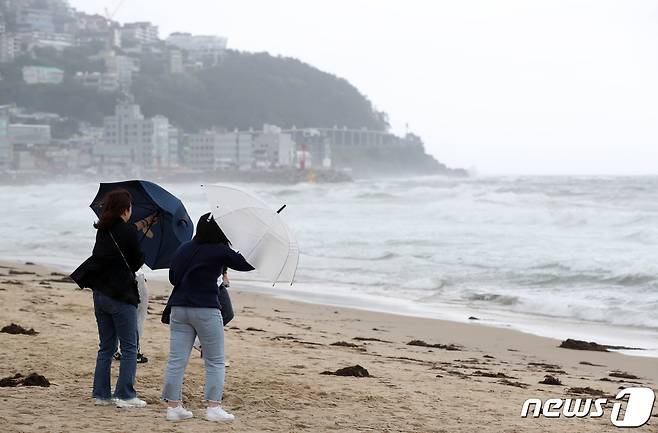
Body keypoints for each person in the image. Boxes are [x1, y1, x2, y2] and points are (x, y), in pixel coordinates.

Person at [162, 212, 254, 422]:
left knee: (176, 361)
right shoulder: (220, 250)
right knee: (215, 361)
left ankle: (173, 407)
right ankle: (213, 408)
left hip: (179, 308)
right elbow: (246, 264)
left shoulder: (184, 247)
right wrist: (256, 246)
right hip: (205, 310)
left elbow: (173, 277)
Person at [70, 189, 147, 408]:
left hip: (100, 294)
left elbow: (109, 257)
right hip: (121, 296)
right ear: (126, 209)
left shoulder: (103, 230)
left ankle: (101, 395)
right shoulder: (128, 231)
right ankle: (125, 395)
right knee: (130, 347)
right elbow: (135, 263)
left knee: (106, 347)